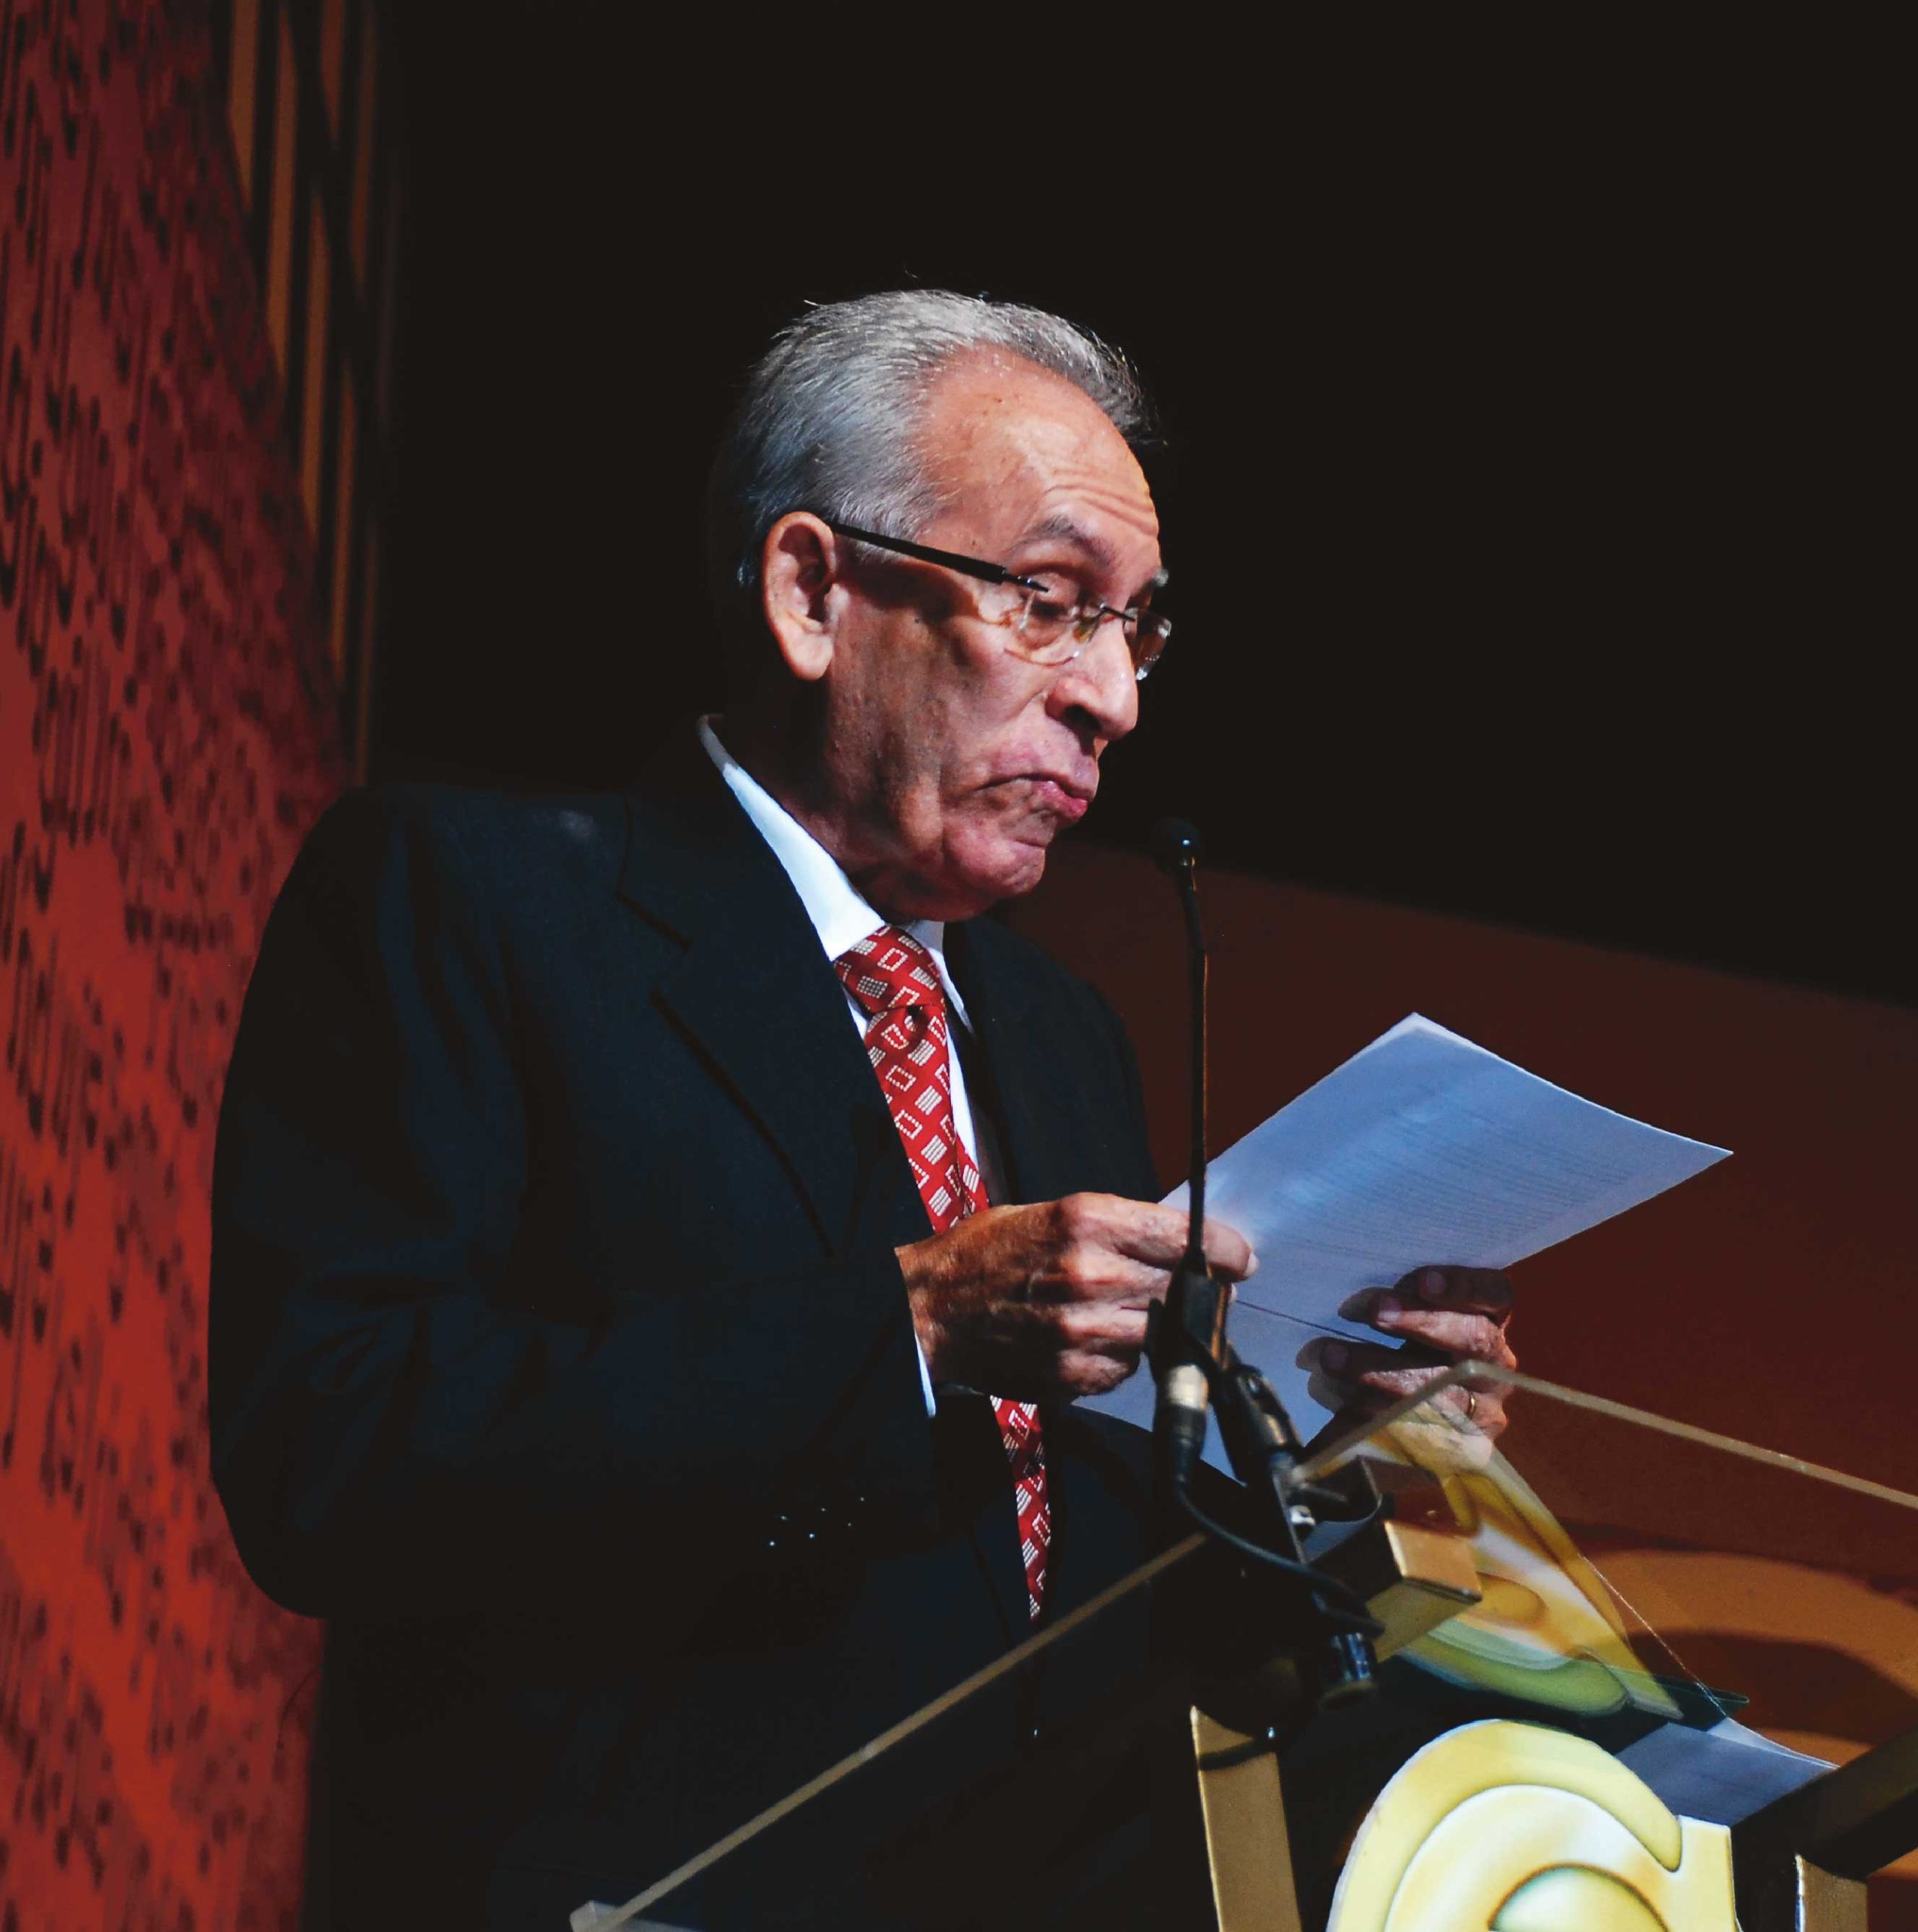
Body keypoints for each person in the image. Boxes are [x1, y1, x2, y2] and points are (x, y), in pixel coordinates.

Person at [209, 291, 1516, 1930]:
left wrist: (1341, 1443)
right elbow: (332, 1457)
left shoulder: (1059, 1040)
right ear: (813, 592)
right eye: (1050, 603)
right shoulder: (469, 902)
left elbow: (1087, 1586)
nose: (1113, 696)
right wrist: (901, 1327)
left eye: (1136, 629)